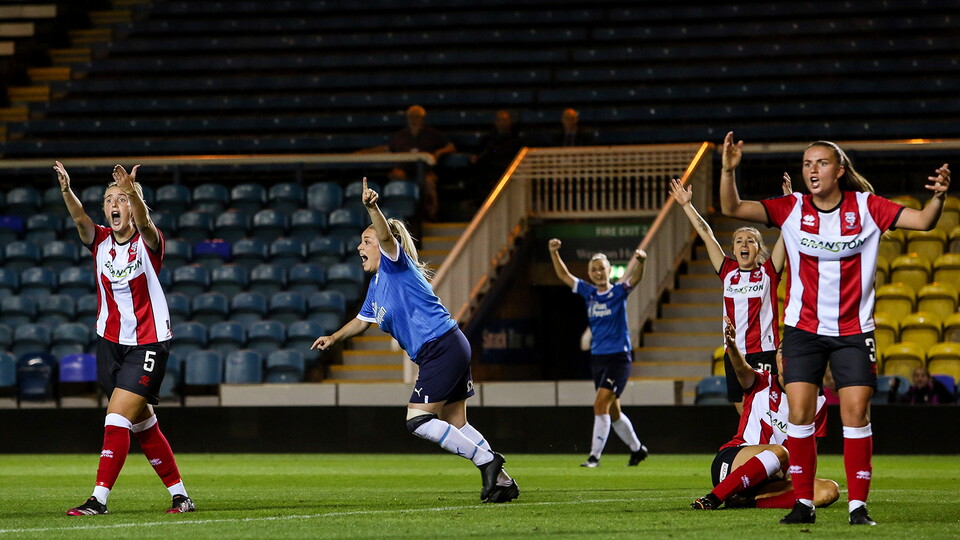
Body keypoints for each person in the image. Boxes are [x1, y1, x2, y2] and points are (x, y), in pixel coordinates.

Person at [718, 131, 951, 525]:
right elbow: (732, 206)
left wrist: (940, 196)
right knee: (800, 415)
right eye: (807, 163)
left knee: (857, 414)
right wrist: (727, 171)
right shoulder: (791, 208)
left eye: (821, 163)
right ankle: (803, 504)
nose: (812, 169)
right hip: (802, 330)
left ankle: (858, 507)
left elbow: (925, 221)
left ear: (839, 171)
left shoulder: (867, 206)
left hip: (853, 331)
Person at [311, 178, 518, 503]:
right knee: (455, 421)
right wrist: (333, 337)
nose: (360, 247)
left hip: (440, 347)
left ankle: (489, 461)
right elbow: (361, 322)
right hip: (448, 346)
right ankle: (504, 483)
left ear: (382, 244)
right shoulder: (377, 285)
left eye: (365, 241)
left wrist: (371, 207)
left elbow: (384, 235)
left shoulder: (396, 264)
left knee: (418, 420)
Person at [54, 161, 195, 516]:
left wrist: (133, 191)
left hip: (148, 342)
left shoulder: (150, 242)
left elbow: (146, 224)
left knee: (116, 419)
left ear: (133, 206)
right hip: (109, 344)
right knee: (143, 424)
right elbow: (78, 219)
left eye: (122, 199)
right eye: (109, 199)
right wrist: (67, 190)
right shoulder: (99, 240)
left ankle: (98, 500)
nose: (115, 204)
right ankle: (181, 496)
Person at [691, 317, 839, 510]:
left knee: (829, 490)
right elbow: (741, 368)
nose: (784, 357)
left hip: (770, 478)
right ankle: (713, 498)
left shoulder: (817, 403)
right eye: (780, 352)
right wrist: (733, 346)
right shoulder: (762, 380)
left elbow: (810, 453)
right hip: (732, 463)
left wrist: (802, 484)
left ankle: (747, 502)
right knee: (778, 451)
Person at [669, 176, 788, 411]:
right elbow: (707, 234)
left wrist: (787, 205)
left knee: (766, 409)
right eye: (739, 241)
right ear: (733, 249)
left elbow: (787, 234)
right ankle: (753, 447)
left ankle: (774, 447)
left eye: (751, 241)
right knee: (743, 411)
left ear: (759, 249)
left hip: (764, 352)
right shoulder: (727, 271)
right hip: (734, 352)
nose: (744, 244)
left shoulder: (769, 272)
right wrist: (687, 206)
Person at [548, 238, 650, 467]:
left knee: (599, 405)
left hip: (619, 357)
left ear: (610, 270)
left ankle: (594, 456)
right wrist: (554, 253)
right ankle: (637, 449)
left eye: (601, 268)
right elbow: (565, 276)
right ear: (589, 273)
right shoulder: (588, 292)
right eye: (593, 269)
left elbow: (635, 278)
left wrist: (641, 262)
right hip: (598, 358)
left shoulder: (618, 292)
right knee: (613, 411)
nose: (598, 272)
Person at [361, 105, 456, 221]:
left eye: (417, 117)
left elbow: (450, 146)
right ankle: (402, 209)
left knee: (430, 181)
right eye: (411, 117)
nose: (414, 120)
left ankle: (432, 212)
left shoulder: (432, 134)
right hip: (405, 170)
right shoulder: (401, 136)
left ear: (423, 118)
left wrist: (439, 152)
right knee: (396, 174)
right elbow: (388, 148)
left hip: (425, 171)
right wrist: (362, 152)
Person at [469, 109, 525, 199]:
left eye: (505, 120)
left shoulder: (517, 141)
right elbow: (475, 154)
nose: (502, 123)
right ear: (495, 122)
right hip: (489, 175)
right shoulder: (487, 139)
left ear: (510, 122)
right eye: (500, 120)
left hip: (509, 173)